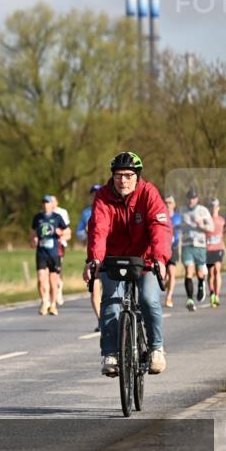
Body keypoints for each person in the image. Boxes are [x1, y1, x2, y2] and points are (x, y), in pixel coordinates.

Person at [83, 151, 170, 377]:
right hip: (112, 259)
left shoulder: (149, 193)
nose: (123, 180)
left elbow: (159, 228)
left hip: (146, 259)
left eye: (128, 175)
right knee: (111, 302)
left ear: (137, 176)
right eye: (118, 175)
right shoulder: (103, 196)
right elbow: (98, 230)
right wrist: (95, 260)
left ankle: (156, 349)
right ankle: (111, 353)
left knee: (148, 299)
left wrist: (160, 258)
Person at [177, 189, 213, 312]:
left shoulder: (203, 211)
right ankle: (189, 299)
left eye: (193, 198)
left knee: (200, 273)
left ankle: (201, 283)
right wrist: (180, 226)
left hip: (200, 245)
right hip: (187, 245)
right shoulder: (182, 211)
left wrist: (201, 225)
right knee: (188, 271)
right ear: (187, 199)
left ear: (197, 199)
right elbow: (177, 225)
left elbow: (211, 228)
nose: (191, 200)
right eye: (189, 198)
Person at [31, 195, 68, 316]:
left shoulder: (57, 217)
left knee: (53, 280)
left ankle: (53, 304)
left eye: (48, 202)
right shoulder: (37, 217)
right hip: (41, 252)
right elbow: (32, 232)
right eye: (44, 202)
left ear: (52, 205)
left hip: (54, 253)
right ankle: (44, 302)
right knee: (41, 279)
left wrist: (61, 233)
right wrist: (33, 240)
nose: (46, 205)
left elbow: (68, 233)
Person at [76, 185, 103, 329]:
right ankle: (100, 320)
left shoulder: (110, 208)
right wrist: (86, 232)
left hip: (109, 255)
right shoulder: (86, 212)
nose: (95, 196)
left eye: (98, 193)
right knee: (94, 291)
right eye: (93, 194)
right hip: (93, 254)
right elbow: (79, 234)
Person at [50, 195, 72, 306]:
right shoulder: (43, 213)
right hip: (46, 247)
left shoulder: (62, 212)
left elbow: (67, 229)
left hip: (59, 244)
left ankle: (59, 292)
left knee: (58, 269)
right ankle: (50, 297)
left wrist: (61, 235)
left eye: (53, 201)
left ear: (57, 202)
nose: (51, 203)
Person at [162, 194, 182, 308]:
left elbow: (182, 233)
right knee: (164, 275)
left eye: (170, 203)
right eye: (166, 202)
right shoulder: (161, 216)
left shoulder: (178, 217)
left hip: (173, 248)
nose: (167, 204)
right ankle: (165, 283)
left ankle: (169, 297)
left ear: (174, 205)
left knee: (171, 272)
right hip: (163, 248)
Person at [206, 197, 226, 308]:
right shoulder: (206, 220)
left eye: (215, 206)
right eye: (212, 206)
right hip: (208, 249)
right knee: (211, 273)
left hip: (218, 248)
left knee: (217, 271)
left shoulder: (222, 220)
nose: (213, 207)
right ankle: (212, 293)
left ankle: (217, 295)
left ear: (218, 207)